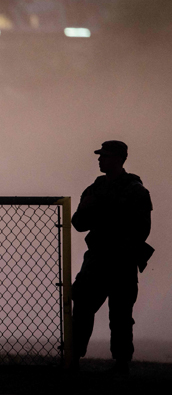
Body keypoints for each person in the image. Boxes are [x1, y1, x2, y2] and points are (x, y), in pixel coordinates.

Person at [71, 140, 154, 374]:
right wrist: (90, 208)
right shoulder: (95, 189)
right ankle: (74, 357)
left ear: (119, 159)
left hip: (122, 261)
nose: (100, 159)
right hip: (97, 259)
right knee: (83, 307)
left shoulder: (135, 190)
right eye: (101, 156)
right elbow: (78, 223)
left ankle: (121, 362)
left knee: (120, 314)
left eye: (105, 156)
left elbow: (142, 229)